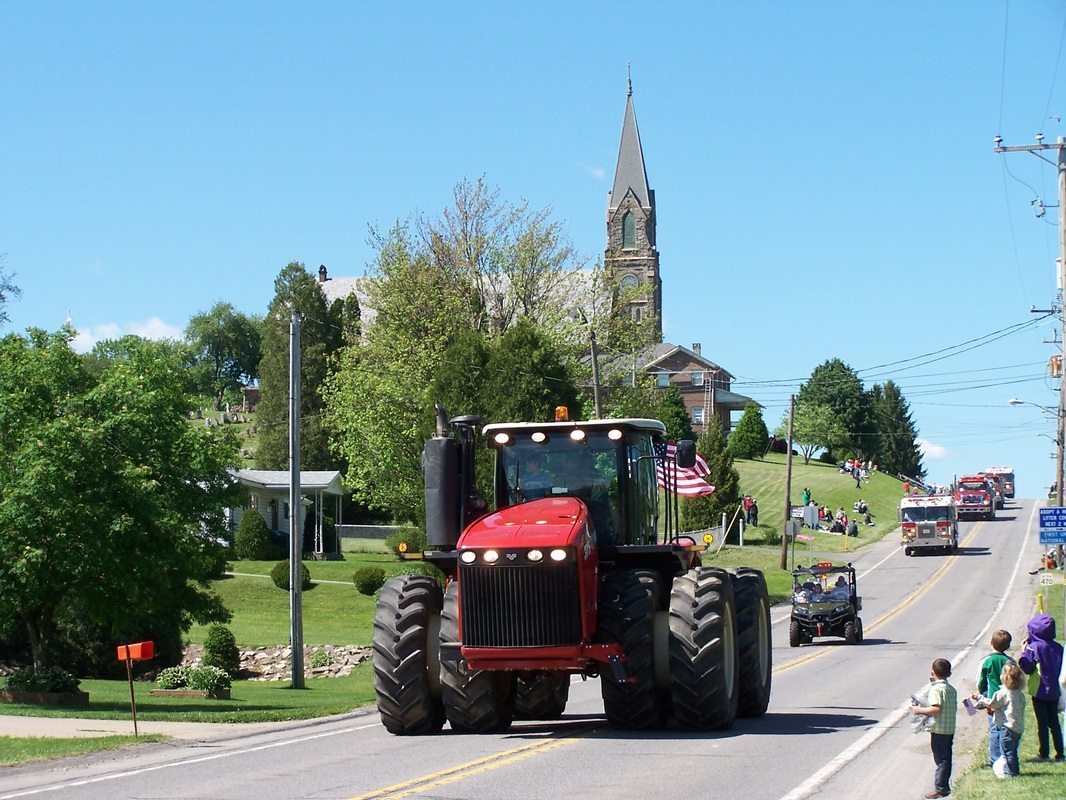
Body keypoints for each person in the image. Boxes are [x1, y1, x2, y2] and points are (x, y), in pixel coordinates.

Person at [1018, 613, 1064, 762]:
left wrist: (1023, 651)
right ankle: (1060, 753)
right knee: (1054, 722)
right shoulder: (1059, 648)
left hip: (1039, 690)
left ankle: (1044, 753)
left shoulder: (1033, 648)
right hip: (1055, 690)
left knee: (1042, 723)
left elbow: (1027, 668)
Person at [911, 658, 958, 799]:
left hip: (939, 729)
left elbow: (936, 708)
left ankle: (941, 788)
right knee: (946, 757)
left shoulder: (936, 689)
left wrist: (919, 710)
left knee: (941, 759)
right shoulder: (951, 689)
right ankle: (944, 785)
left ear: (932, 672)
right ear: (949, 674)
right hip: (949, 728)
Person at [972, 662, 1026, 777]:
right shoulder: (1020, 694)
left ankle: (1011, 773)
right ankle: (1012, 770)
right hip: (1018, 727)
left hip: (1007, 727)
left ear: (1004, 678)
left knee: (1007, 752)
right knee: (1013, 751)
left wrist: (979, 698)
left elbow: (992, 704)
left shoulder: (1002, 693)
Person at [976, 630, 1014, 768]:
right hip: (1008, 698)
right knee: (1005, 727)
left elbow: (980, 680)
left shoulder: (987, 661)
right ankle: (1005, 756)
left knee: (994, 728)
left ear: (991, 643)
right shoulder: (1010, 661)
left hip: (993, 699)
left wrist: (982, 693)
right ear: (1008, 646)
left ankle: (995, 759)